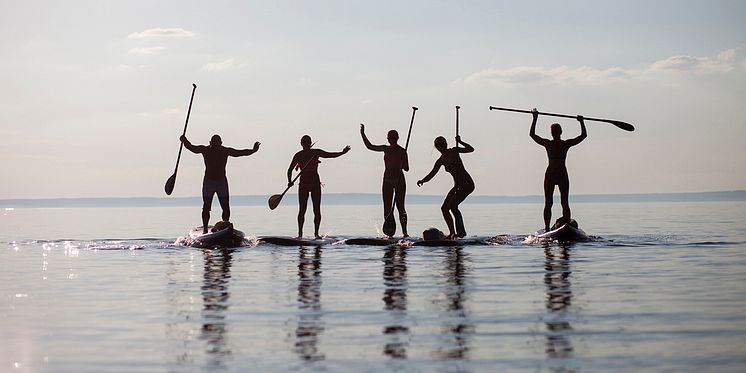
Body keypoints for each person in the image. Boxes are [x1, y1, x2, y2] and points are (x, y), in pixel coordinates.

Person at [181, 134, 260, 233]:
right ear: (210, 143)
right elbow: (192, 148)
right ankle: (205, 229)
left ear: (220, 144)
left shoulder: (224, 150)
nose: (215, 146)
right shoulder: (206, 150)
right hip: (209, 182)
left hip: (221, 182)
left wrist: (253, 151)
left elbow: (239, 153)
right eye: (214, 144)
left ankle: (225, 226)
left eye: (217, 144)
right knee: (206, 207)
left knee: (225, 207)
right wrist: (185, 141)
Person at [529, 108, 587, 232]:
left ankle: (566, 226)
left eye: (555, 131)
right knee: (551, 203)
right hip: (552, 174)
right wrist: (581, 122)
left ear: (557, 132)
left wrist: (535, 119)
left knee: (562, 202)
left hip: (559, 175)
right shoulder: (552, 144)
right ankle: (546, 228)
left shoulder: (562, 144)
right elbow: (583, 135)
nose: (554, 132)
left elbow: (532, 135)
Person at [287, 135, 351, 239]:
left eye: (307, 143)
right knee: (302, 210)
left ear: (310, 143)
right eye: (304, 143)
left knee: (316, 209)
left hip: (315, 184)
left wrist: (342, 152)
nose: (306, 145)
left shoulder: (315, 152)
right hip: (303, 185)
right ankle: (300, 234)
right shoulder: (298, 155)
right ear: (301, 144)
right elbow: (289, 170)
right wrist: (289, 181)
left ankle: (316, 234)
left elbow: (330, 155)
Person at [417, 136, 475, 239]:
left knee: (453, 206)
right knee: (444, 208)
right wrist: (423, 181)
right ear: (436, 147)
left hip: (467, 184)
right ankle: (452, 233)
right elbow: (432, 174)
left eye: (442, 143)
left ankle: (461, 232)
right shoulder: (440, 161)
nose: (440, 146)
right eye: (438, 145)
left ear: (446, 144)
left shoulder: (454, 150)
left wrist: (460, 141)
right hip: (457, 186)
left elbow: (470, 149)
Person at [359, 124, 409, 237]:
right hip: (387, 180)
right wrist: (362, 134)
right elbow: (370, 146)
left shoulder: (402, 151)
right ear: (387, 139)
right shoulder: (385, 149)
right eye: (390, 138)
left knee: (400, 207)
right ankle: (389, 233)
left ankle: (405, 233)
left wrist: (403, 161)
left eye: (393, 138)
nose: (392, 140)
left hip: (399, 180)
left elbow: (407, 168)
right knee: (387, 207)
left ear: (397, 138)